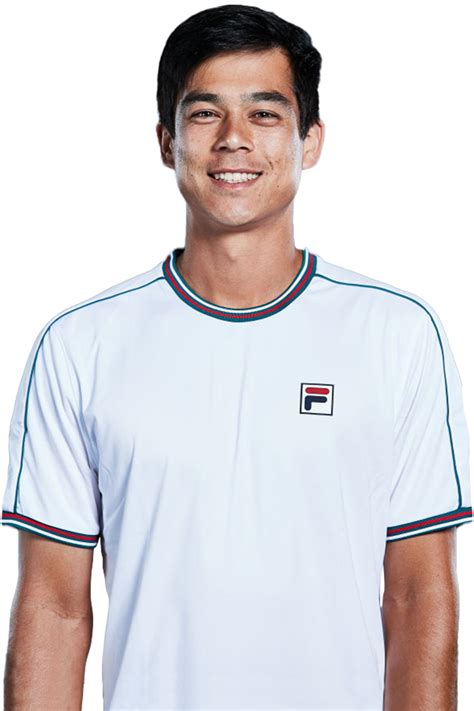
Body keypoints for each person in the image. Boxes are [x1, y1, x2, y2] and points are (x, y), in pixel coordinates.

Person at [2, 4, 472, 710]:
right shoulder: (80, 346)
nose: (233, 140)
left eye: (264, 114)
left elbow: (416, 595)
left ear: (311, 139)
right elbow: (55, 606)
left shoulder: (397, 335)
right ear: (166, 141)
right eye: (204, 114)